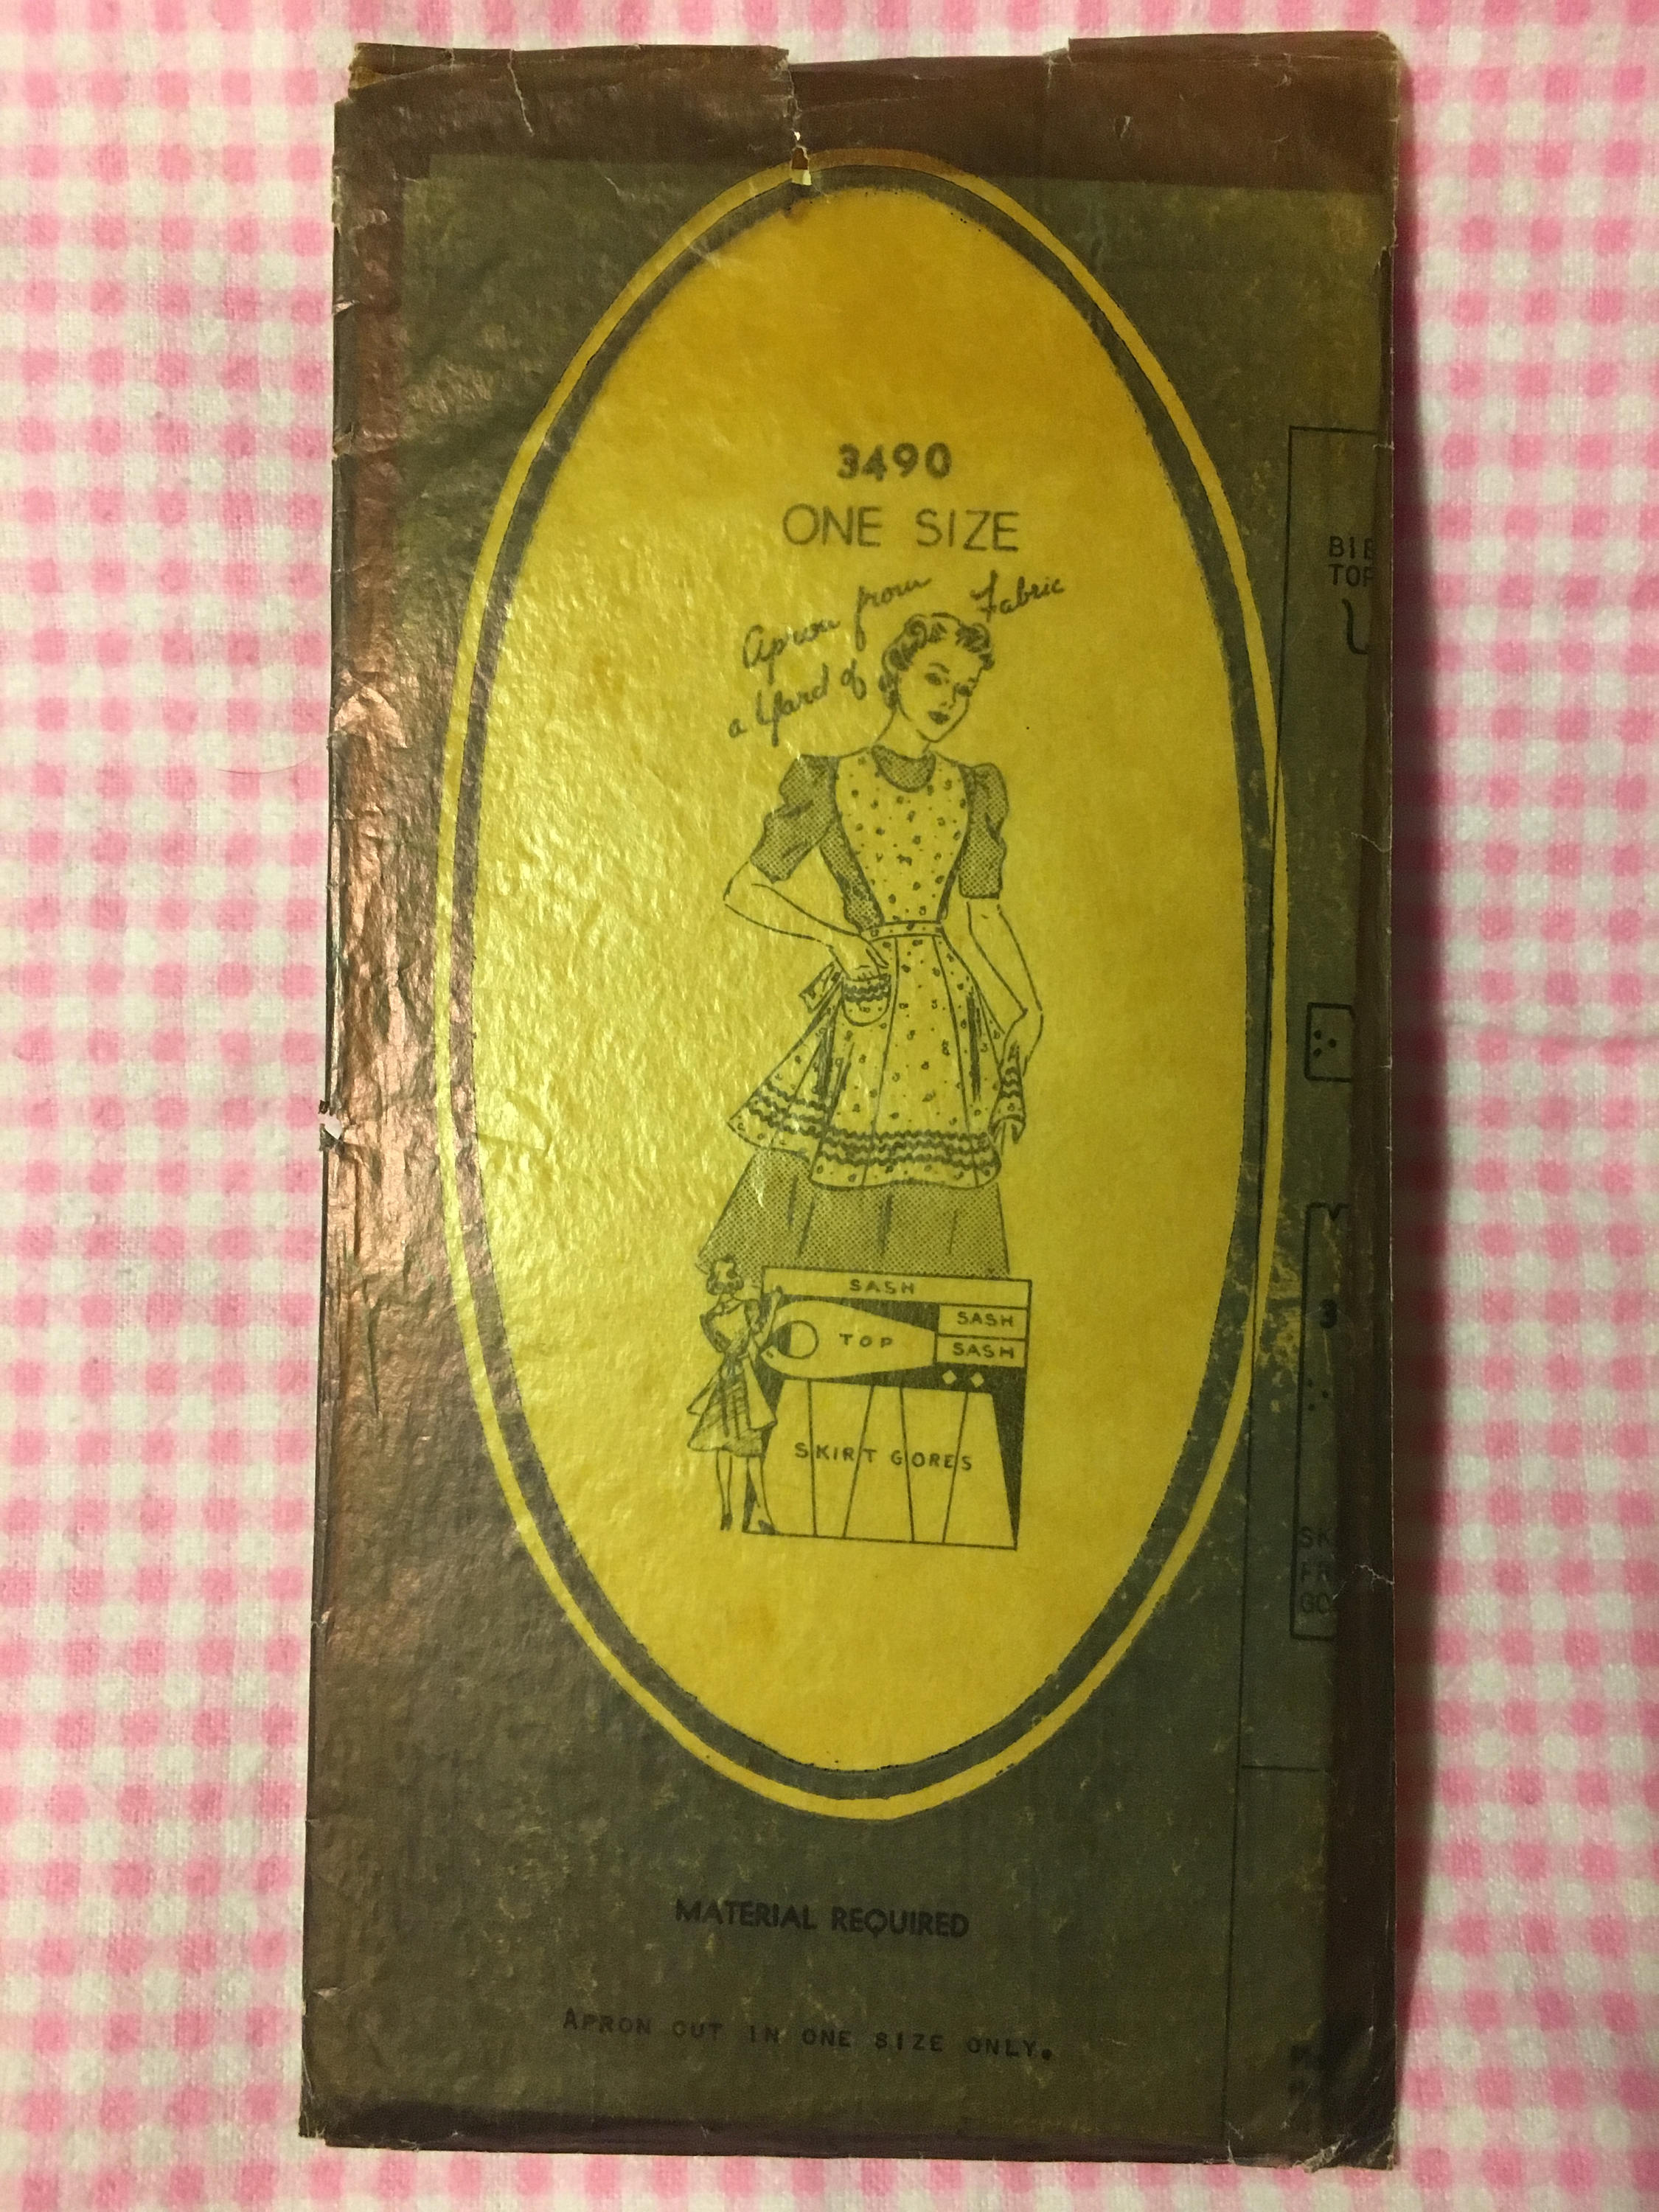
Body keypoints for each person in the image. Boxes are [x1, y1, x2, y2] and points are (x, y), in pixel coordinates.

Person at [700, 611, 1041, 1284]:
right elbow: (746, 888)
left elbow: (981, 917)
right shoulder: (829, 780)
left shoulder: (973, 790)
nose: (948, 700)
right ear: (897, 676)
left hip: (948, 1022)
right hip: (867, 1008)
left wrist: (1029, 1008)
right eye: (935, 678)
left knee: (943, 1194)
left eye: (963, 689)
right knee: (834, 1177)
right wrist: (839, 942)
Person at [686, 1259, 784, 1531]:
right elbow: (759, 1339)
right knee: (751, 1451)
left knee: (723, 1447)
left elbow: (726, 1348)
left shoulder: (709, 1319)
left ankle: (727, 1512)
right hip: (742, 1382)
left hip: (724, 1382)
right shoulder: (747, 1308)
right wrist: (774, 1304)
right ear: (733, 1280)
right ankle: (762, 1514)